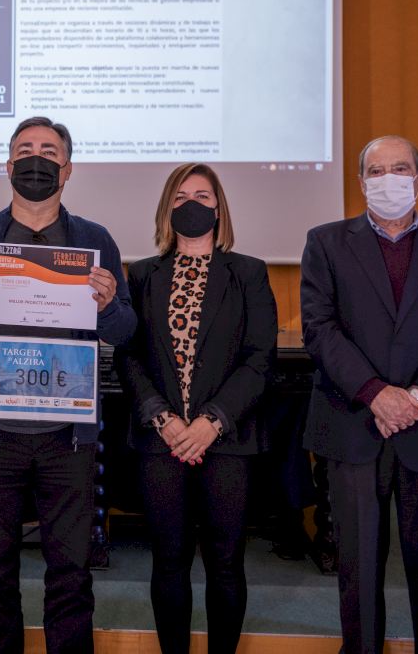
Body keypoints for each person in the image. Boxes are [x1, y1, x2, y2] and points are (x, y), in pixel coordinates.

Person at [0, 117, 136, 654]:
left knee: (71, 574)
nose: (35, 159)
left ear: (67, 168)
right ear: (8, 165)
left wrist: (109, 306)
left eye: (48, 151)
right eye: (24, 150)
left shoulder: (95, 241)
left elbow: (125, 331)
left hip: (68, 438)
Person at [300, 135, 418, 654]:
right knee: (357, 572)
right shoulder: (325, 243)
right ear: (362, 182)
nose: (389, 179)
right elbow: (319, 329)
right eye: (377, 171)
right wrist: (376, 393)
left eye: (400, 169)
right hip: (353, 425)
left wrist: (417, 397)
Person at [117, 163, 277, 654]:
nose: (192, 204)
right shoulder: (142, 274)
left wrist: (212, 421)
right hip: (161, 441)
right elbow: (129, 355)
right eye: (181, 196)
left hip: (228, 441)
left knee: (226, 563)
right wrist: (163, 418)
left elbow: (260, 358)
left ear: (219, 208)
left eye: (203, 196)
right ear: (167, 207)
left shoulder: (248, 272)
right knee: (168, 561)